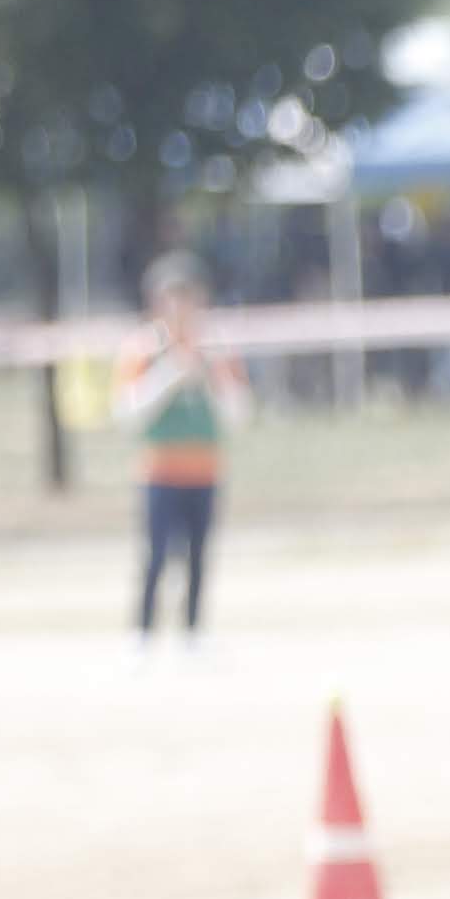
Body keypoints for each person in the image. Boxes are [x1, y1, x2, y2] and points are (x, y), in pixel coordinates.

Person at [116, 252, 246, 645]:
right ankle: (142, 632)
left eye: (185, 298)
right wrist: (171, 374)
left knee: (198, 556)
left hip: (204, 469)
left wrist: (207, 374)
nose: (178, 308)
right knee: (155, 556)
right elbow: (127, 411)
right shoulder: (144, 348)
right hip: (159, 470)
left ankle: (192, 631)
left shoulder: (215, 348)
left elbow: (238, 411)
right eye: (169, 298)